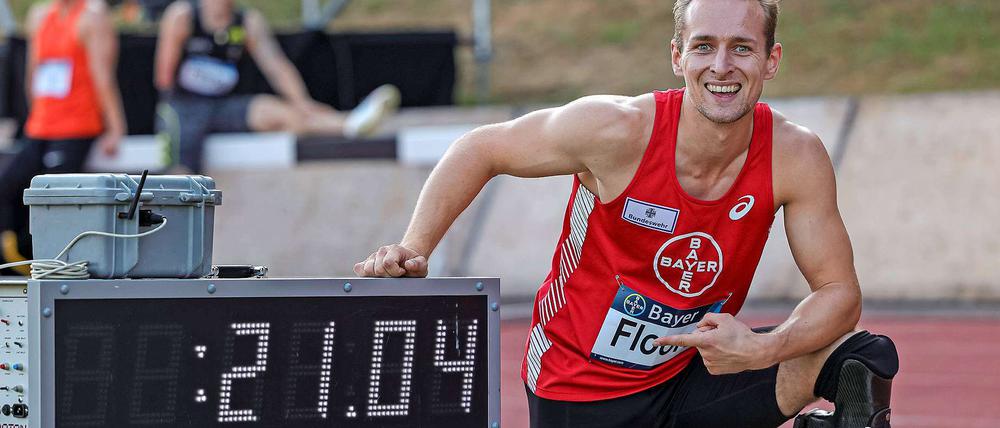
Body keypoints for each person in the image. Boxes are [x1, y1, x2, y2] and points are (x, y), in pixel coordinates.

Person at [355, 0, 900, 427]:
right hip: (580, 385)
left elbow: (839, 292)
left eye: (742, 48)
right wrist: (416, 246)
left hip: (693, 374)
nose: (721, 66)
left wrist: (765, 346)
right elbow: (482, 147)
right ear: (677, 56)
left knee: (860, 358)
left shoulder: (794, 154)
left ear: (770, 60)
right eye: (704, 46)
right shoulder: (615, 130)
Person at [154, 0, 400, 173]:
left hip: (223, 105)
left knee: (285, 113)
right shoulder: (182, 16)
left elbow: (276, 66)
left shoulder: (247, 21)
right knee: (181, 170)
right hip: (184, 106)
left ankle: (349, 123)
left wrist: (302, 103)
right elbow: (163, 78)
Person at [0, 0, 126, 276]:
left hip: (76, 125)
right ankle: (17, 260)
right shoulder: (41, 15)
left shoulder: (91, 18)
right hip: (41, 125)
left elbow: (102, 75)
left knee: (54, 196)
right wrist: (35, 116)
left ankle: (48, 264)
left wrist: (116, 127)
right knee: (9, 185)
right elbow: (33, 74)